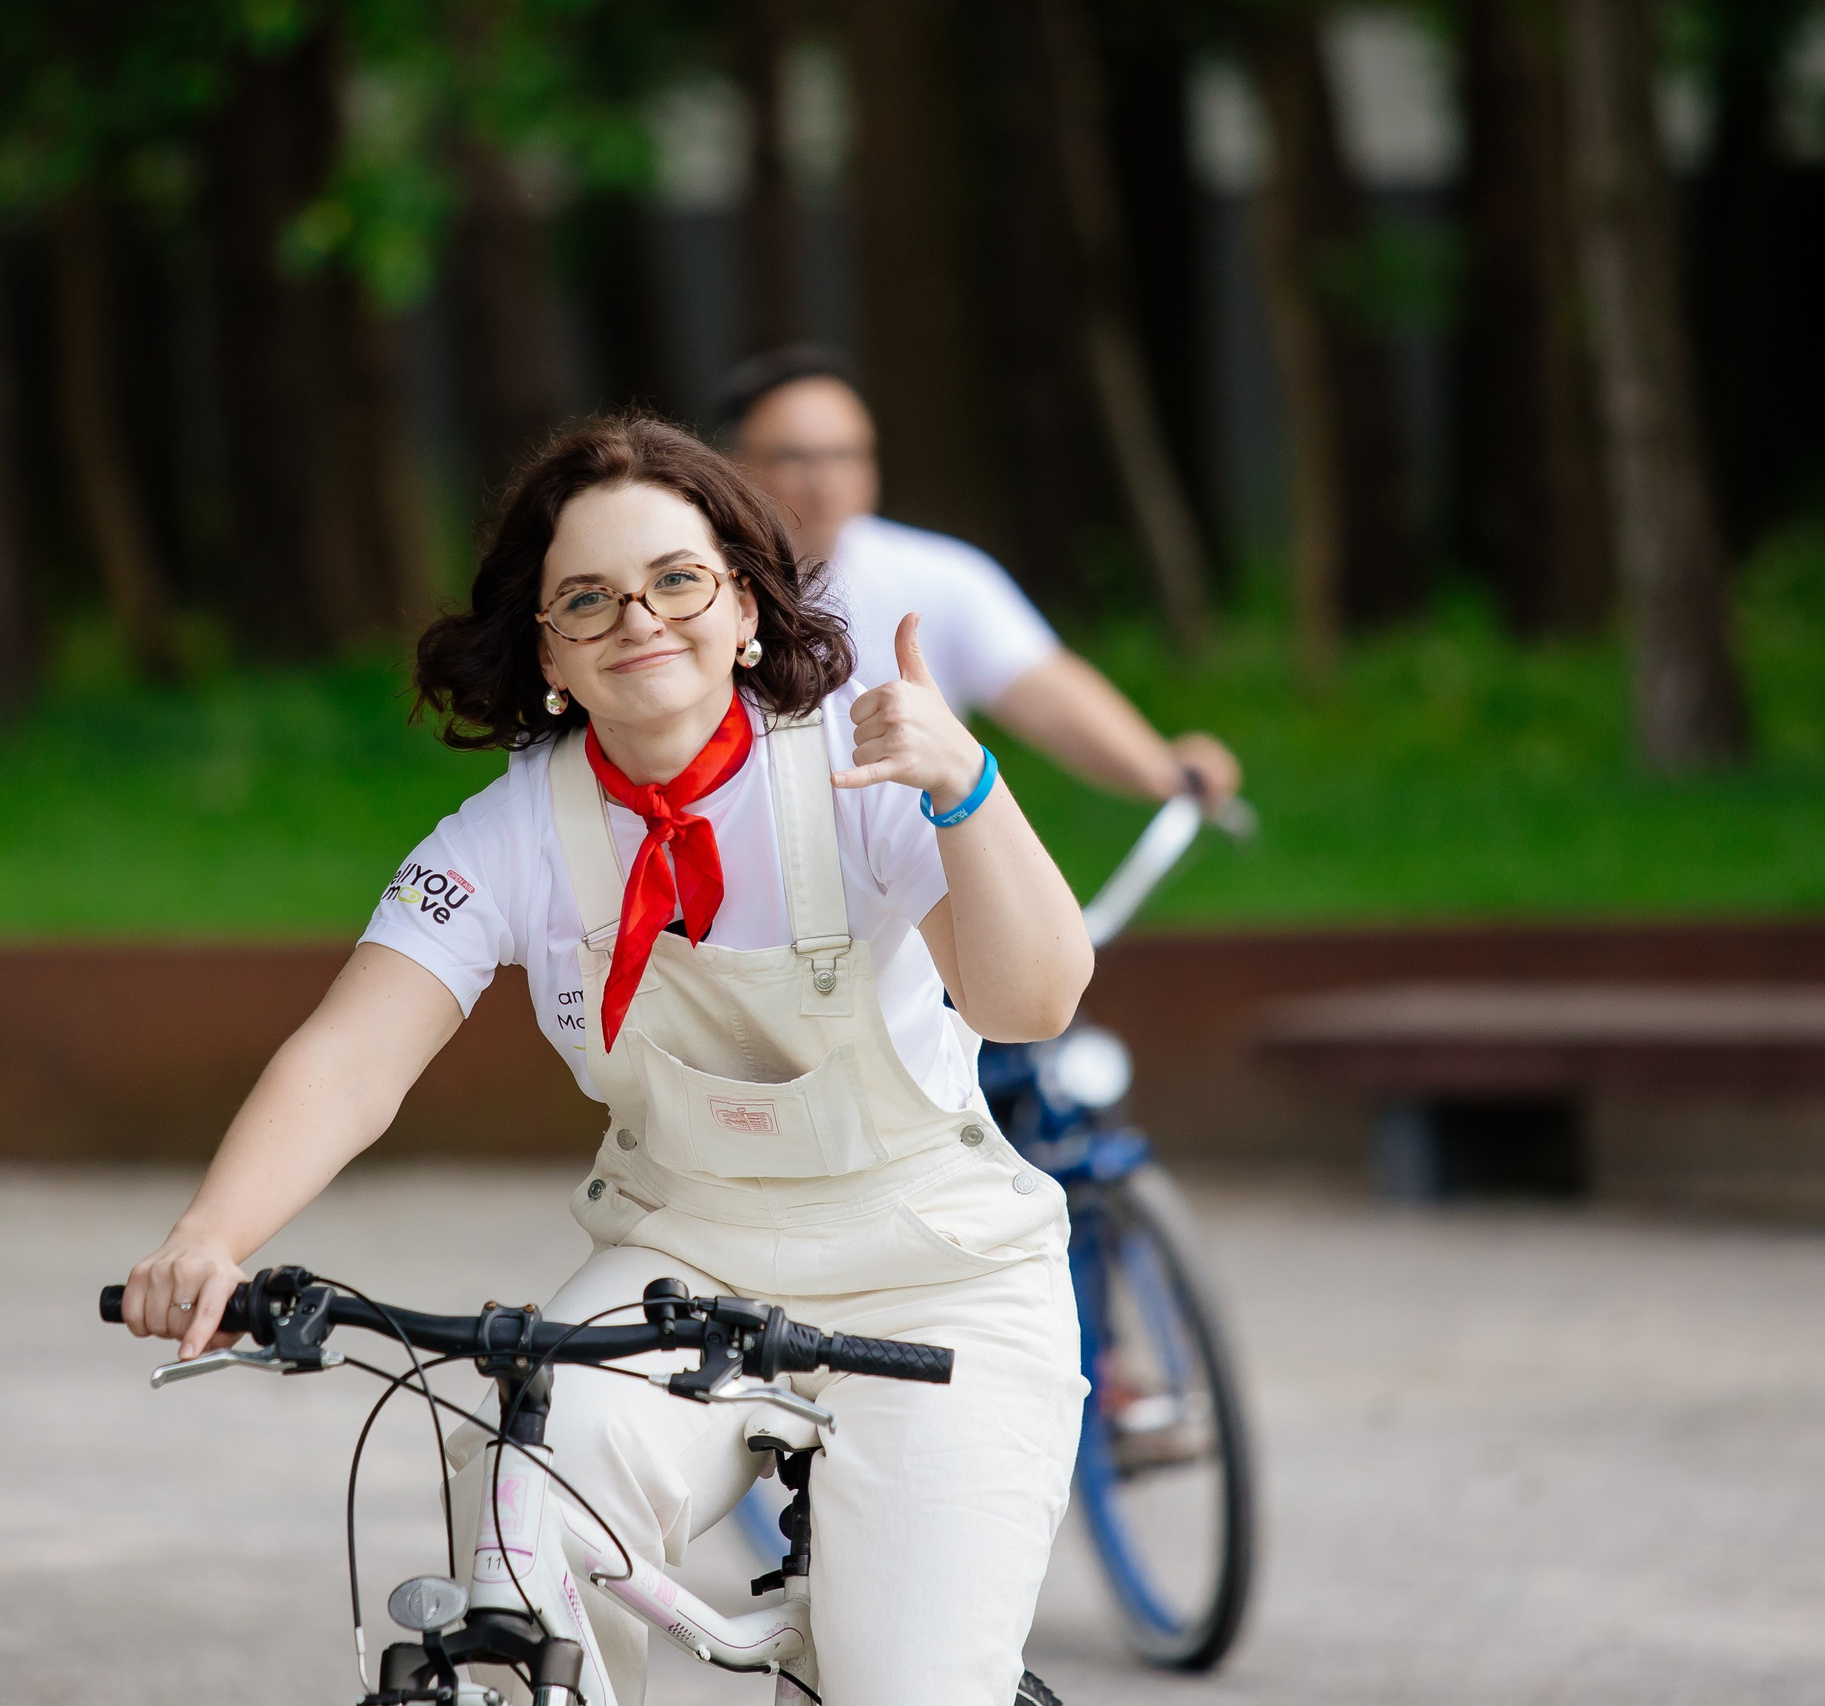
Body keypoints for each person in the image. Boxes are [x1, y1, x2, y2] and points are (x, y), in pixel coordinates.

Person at [121, 418, 1092, 1706]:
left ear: (743, 604)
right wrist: (210, 1233)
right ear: (548, 653)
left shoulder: (863, 766)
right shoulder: (511, 831)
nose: (638, 618)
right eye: (585, 598)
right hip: (686, 1256)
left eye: (676, 579)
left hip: (941, 1279)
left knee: (909, 1685)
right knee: (527, 1458)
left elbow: (1031, 1000)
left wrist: (967, 783)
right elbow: (354, 1057)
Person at [720, 346, 1241, 810]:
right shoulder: (697, 582)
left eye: (846, 454)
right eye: (795, 457)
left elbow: (1041, 686)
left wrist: (1160, 770)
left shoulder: (938, 574)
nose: (824, 479)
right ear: (731, 463)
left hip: (908, 876)